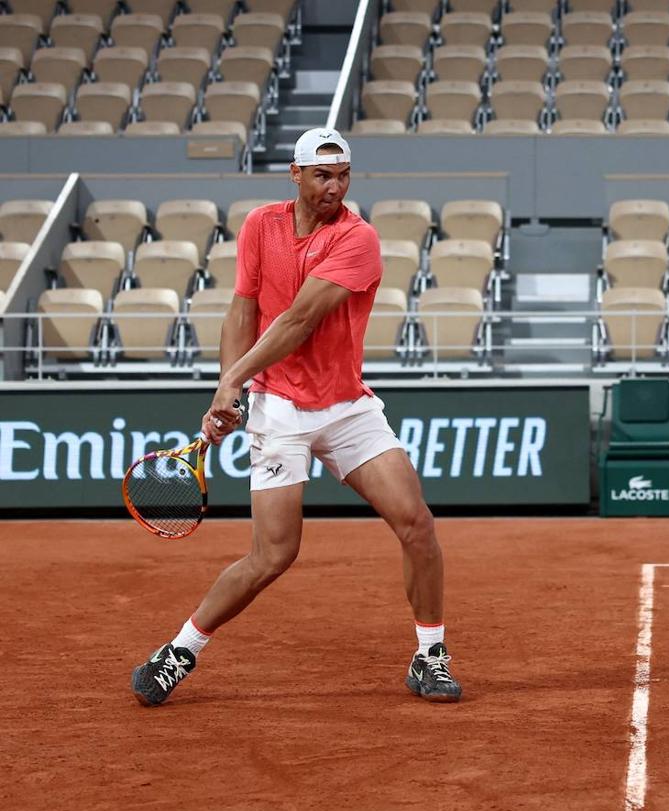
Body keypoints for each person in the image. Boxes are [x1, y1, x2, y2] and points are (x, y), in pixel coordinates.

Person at [131, 128, 462, 705]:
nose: (335, 186)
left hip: (347, 408)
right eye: (322, 175)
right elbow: (244, 309)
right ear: (296, 174)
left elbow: (297, 322)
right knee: (274, 555)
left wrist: (237, 379)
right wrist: (226, 387)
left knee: (417, 524)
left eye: (343, 175)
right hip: (280, 411)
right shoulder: (261, 224)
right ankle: (178, 652)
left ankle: (429, 655)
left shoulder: (359, 240)